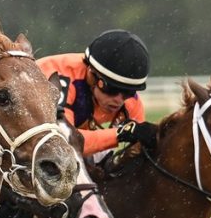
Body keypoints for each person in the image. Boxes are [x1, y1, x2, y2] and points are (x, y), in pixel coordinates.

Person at [36, 29, 157, 162]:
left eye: (128, 92)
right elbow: (65, 144)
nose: (119, 100)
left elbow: (141, 148)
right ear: (91, 74)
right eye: (112, 89)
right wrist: (121, 133)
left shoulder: (131, 101)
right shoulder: (59, 78)